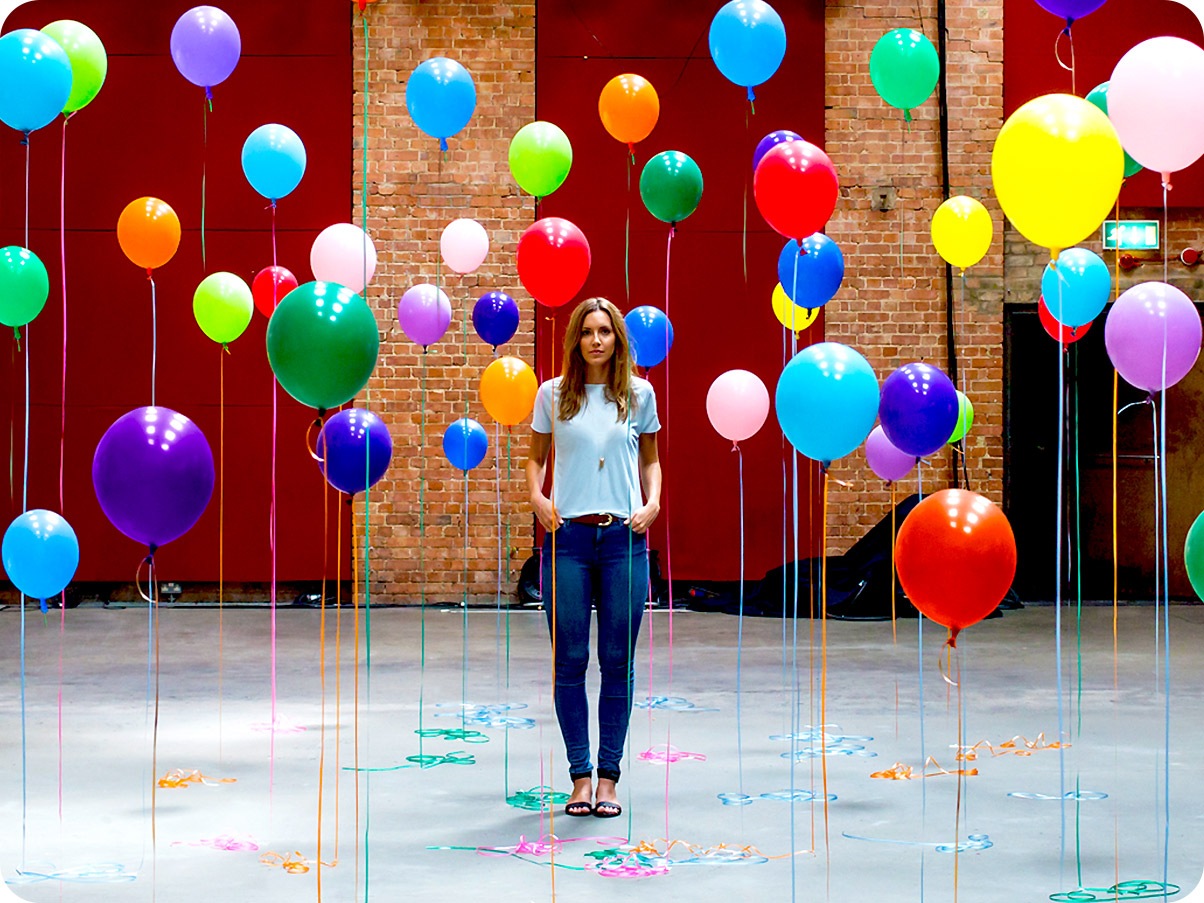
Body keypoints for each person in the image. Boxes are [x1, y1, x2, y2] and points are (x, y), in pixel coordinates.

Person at [526, 296, 662, 819]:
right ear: (576, 340)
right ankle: (579, 778)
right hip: (568, 543)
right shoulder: (553, 395)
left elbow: (651, 461)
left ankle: (609, 779)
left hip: (625, 540)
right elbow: (535, 460)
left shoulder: (639, 396)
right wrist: (537, 497)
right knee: (570, 661)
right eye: (588, 331)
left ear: (618, 340)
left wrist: (653, 502)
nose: (597, 339)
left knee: (616, 664)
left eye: (606, 331)